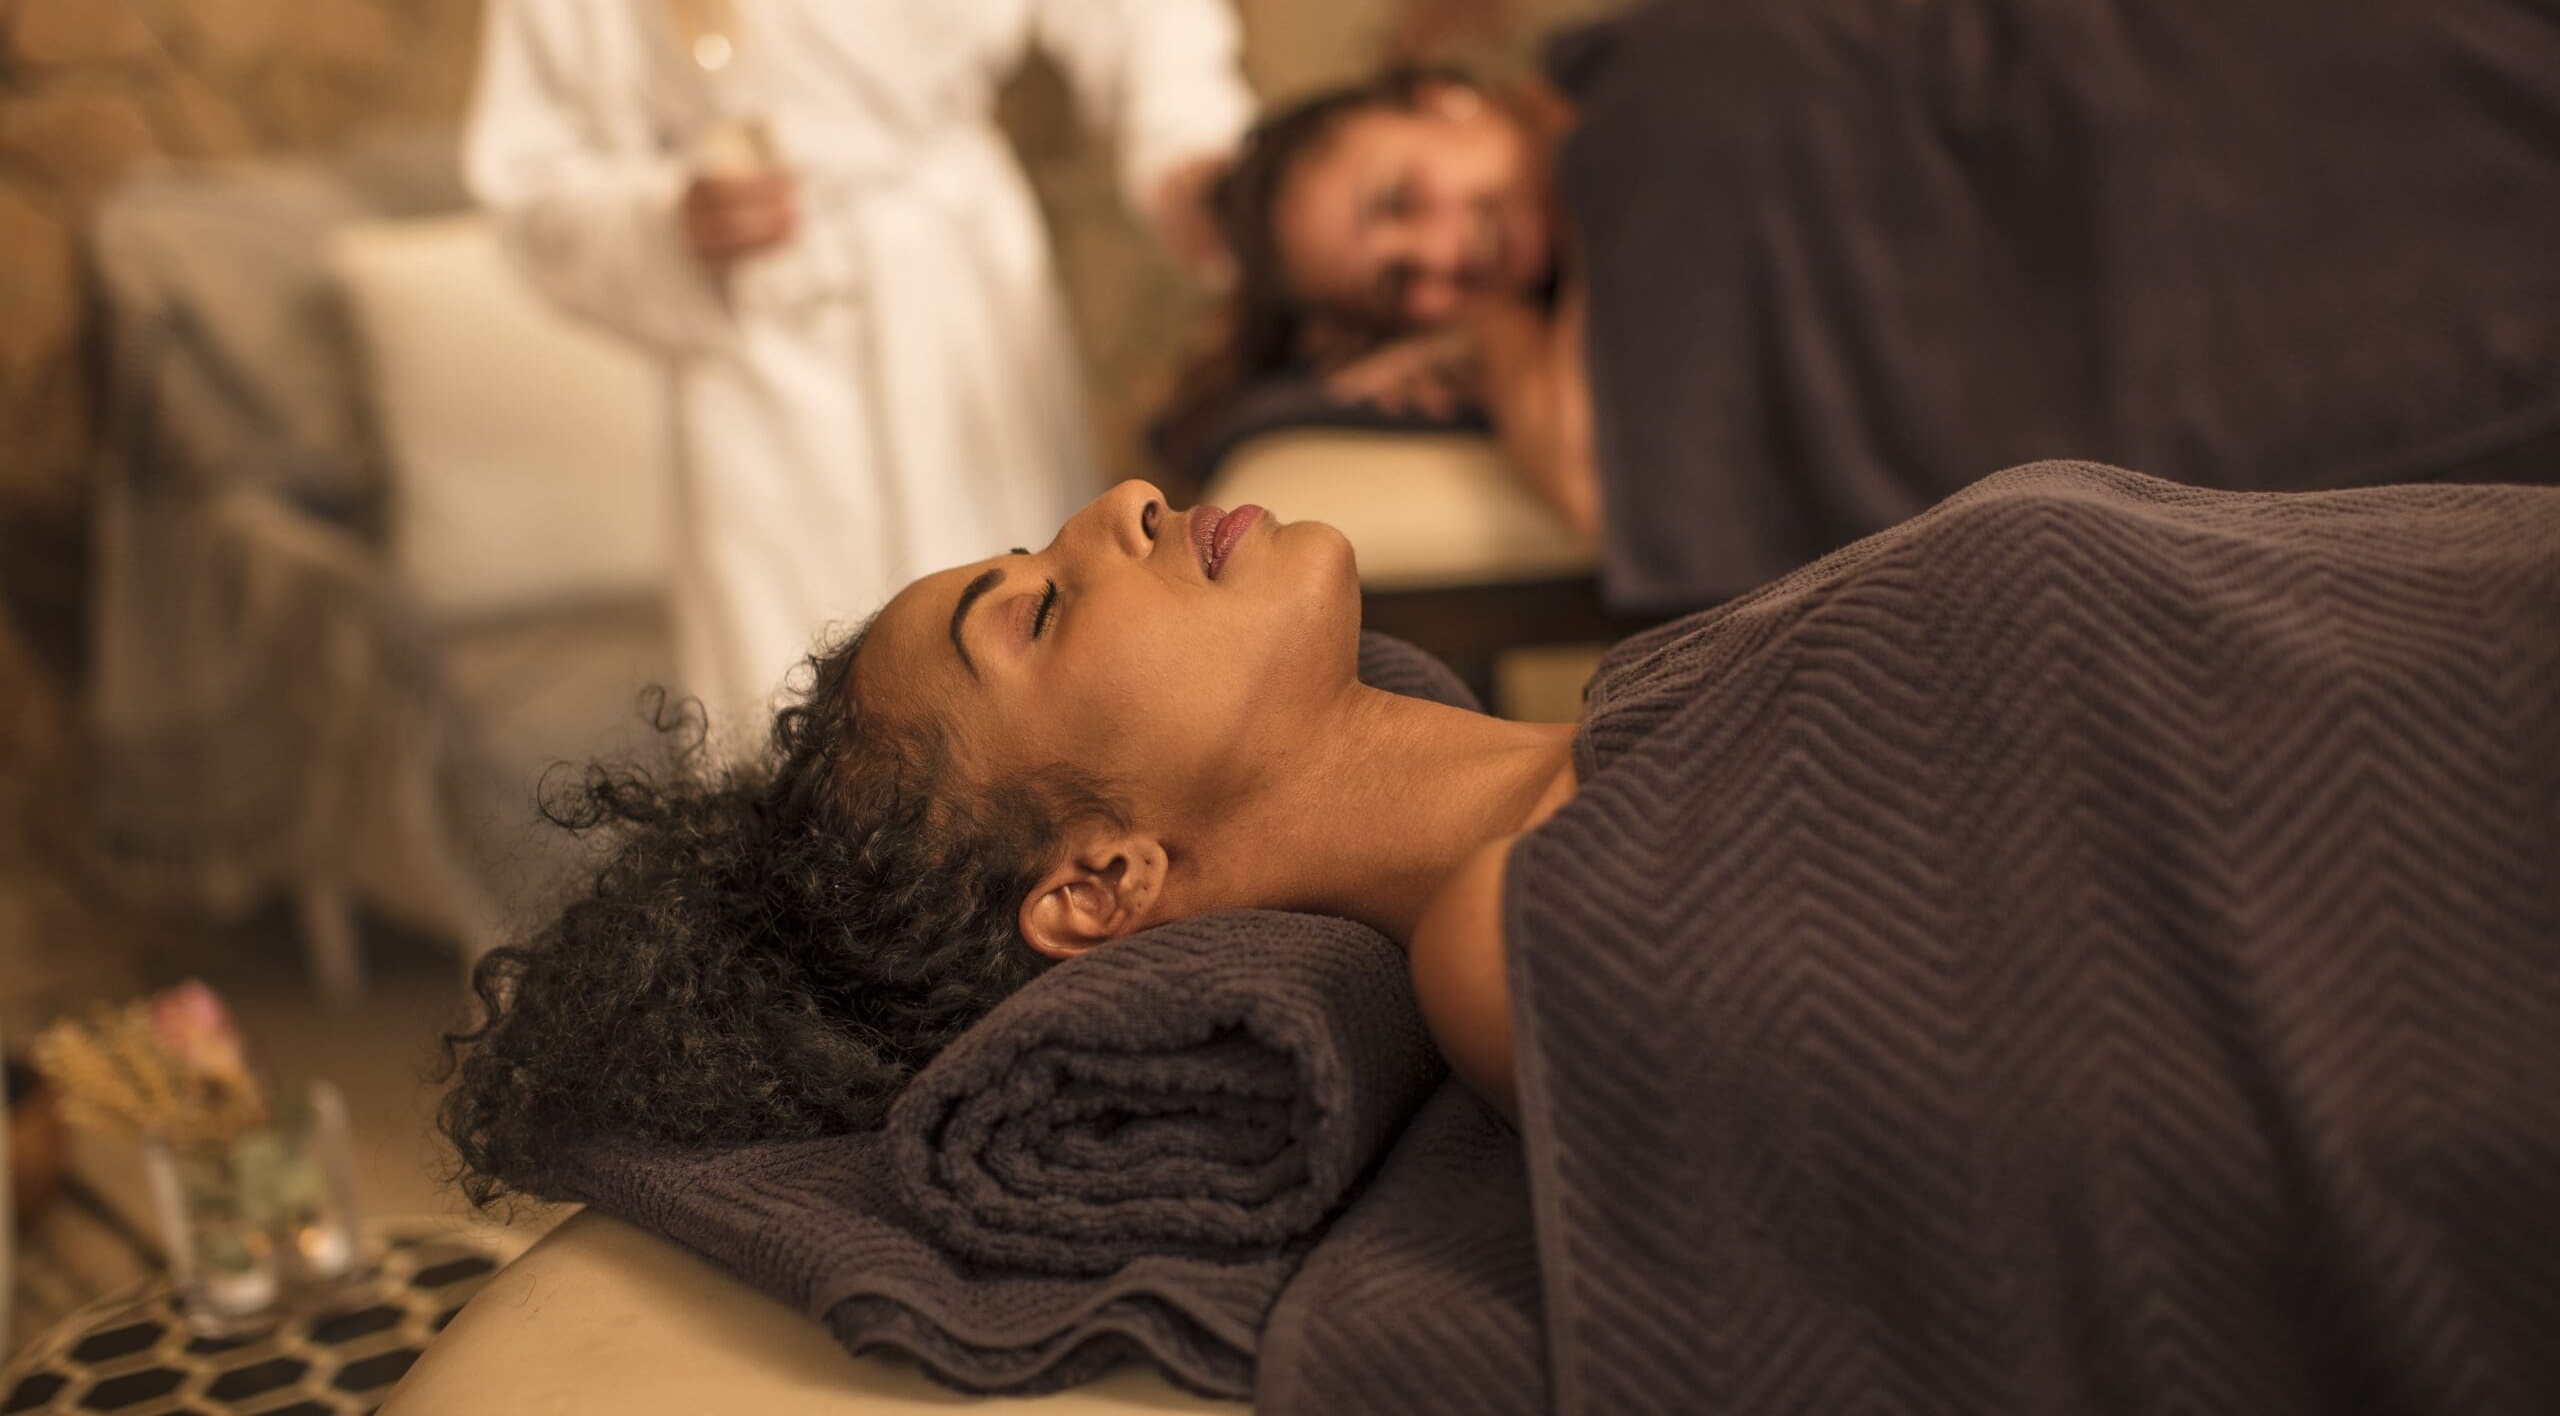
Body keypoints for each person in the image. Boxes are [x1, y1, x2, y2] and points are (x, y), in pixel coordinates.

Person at [438, 466, 2560, 1409]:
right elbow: (2269, 1123)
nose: (1113, 508)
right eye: (1041, 607)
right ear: (1097, 888)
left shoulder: (1637, 718)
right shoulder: (1529, 940)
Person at [1170, 0, 2560, 612]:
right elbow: (1613, 470)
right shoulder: (1593, 273)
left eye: (1403, 195)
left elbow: (1596, 470)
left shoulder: (1656, 88)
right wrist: (1504, 321)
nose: (1440, 259)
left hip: (2255, 57)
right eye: (1394, 281)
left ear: (1443, 93)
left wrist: (1490, 338)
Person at [466, 0, 1253, 733]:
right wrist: (669, 222)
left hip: (968, 322)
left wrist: (1188, 146)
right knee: (796, 726)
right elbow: (531, 179)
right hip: (765, 373)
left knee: (1039, 690)